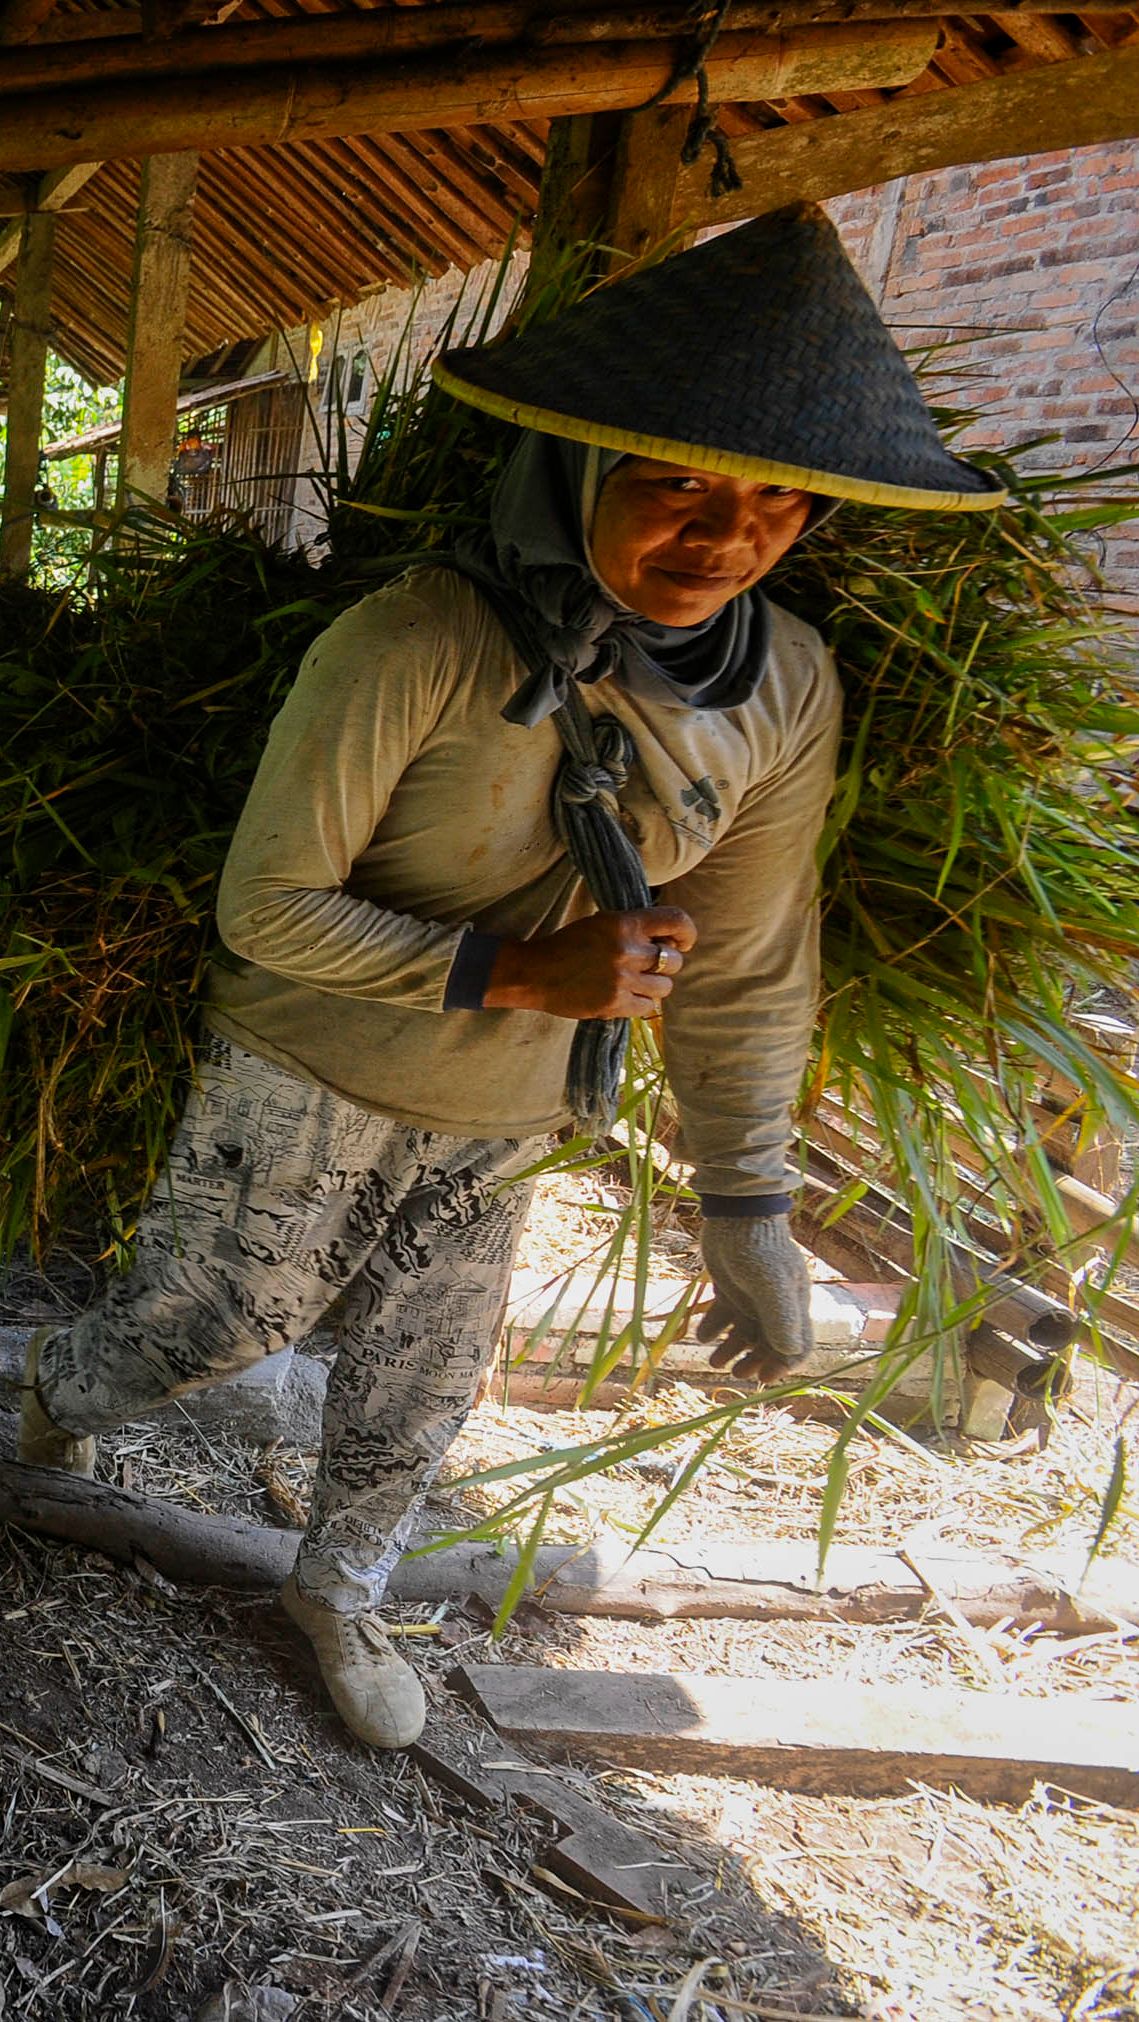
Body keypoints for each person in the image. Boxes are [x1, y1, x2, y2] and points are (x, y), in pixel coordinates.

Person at [18, 205, 1005, 1750]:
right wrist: (510, 968)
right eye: (674, 480)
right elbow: (264, 908)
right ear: (578, 464)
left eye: (772, 500)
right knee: (205, 1324)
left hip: (510, 1117)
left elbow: (747, 958)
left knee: (424, 1387)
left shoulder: (787, 687)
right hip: (305, 1071)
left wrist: (745, 1210)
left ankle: (338, 1591)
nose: (722, 533)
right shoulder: (411, 640)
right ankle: (53, 1399)